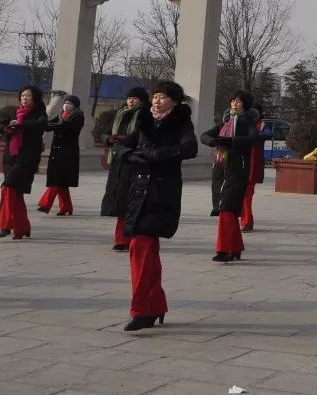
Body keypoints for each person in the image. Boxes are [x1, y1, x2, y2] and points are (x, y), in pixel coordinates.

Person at [120, 80, 199, 331]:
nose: (156, 100)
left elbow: (190, 148)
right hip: (139, 190)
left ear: (174, 101)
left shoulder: (181, 123)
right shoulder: (144, 120)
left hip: (161, 192)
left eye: (163, 97)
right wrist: (129, 154)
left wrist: (160, 154)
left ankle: (142, 310)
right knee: (146, 252)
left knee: (141, 247)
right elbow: (125, 143)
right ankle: (154, 305)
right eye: (154, 96)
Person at [200, 90, 261, 262]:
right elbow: (204, 136)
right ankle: (235, 248)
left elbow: (253, 139)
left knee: (227, 208)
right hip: (221, 169)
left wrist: (232, 141)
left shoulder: (248, 122)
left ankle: (224, 249)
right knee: (229, 210)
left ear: (245, 105)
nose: (234, 103)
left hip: (238, 169)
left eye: (238, 101)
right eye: (232, 100)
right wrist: (213, 141)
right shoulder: (224, 123)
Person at [0, 86, 48, 239]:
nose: (24, 98)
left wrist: (21, 124)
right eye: (22, 95)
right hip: (10, 156)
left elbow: (41, 126)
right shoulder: (11, 112)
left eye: (28, 96)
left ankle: (4, 226)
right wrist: (6, 128)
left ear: (34, 98)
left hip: (27, 158)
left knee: (7, 187)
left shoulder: (39, 114)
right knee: (16, 193)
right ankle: (22, 227)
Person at [103, 88, 148, 251]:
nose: (130, 101)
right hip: (118, 160)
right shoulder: (120, 113)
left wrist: (122, 139)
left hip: (134, 160)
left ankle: (129, 237)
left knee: (130, 200)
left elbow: (140, 136)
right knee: (120, 199)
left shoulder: (144, 115)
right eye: (129, 98)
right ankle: (121, 238)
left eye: (134, 98)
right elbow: (105, 133)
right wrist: (109, 139)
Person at [37, 94, 84, 216]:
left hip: (68, 153)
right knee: (62, 183)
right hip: (57, 152)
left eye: (70, 103)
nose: (67, 105)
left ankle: (45, 204)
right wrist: (41, 124)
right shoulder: (60, 115)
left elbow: (65, 127)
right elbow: (48, 125)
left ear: (75, 106)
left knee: (57, 180)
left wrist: (53, 126)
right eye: (66, 102)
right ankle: (66, 207)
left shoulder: (78, 116)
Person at [240, 106, 271, 232]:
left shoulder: (261, 125)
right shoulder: (242, 124)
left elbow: (268, 133)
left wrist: (255, 136)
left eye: (255, 114)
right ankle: (247, 220)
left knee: (247, 193)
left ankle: (247, 221)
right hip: (240, 162)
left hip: (253, 164)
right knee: (242, 194)